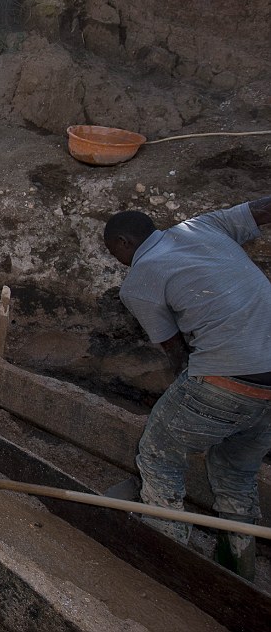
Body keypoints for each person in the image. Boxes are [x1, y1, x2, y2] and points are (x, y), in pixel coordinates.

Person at [102, 199, 271, 580]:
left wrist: (188, 407)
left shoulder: (140, 280)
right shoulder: (205, 226)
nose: (115, 259)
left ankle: (170, 563)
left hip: (228, 376)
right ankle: (238, 571)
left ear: (125, 242)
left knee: (159, 454)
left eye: (112, 251)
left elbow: (177, 352)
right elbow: (262, 209)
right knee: (236, 475)